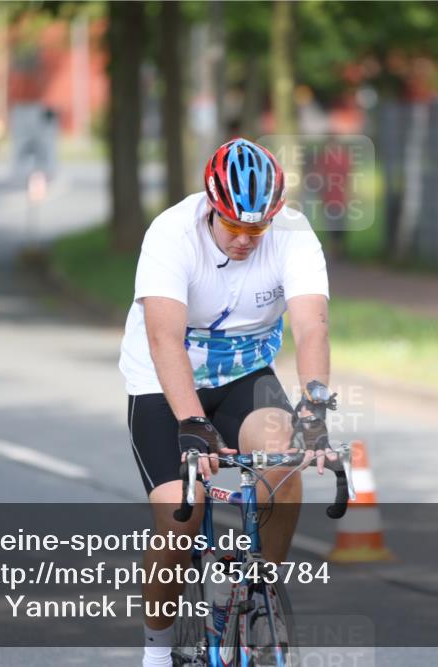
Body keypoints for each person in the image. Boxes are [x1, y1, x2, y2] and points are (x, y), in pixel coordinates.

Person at [118, 138, 335, 667]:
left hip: (244, 376)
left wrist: (314, 409)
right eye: (233, 226)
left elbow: (311, 327)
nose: (243, 240)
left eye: (255, 230)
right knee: (181, 514)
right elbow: (164, 338)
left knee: (283, 464)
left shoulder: (293, 234)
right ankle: (156, 650)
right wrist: (192, 421)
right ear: (211, 207)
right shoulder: (171, 233)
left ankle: (260, 597)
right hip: (164, 382)